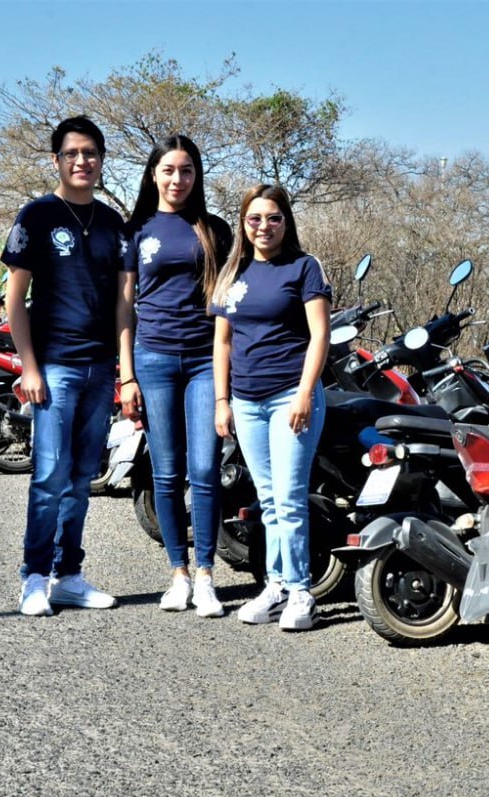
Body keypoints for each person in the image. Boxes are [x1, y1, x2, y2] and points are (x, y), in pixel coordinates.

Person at [2, 115, 126, 616]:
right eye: (72, 154)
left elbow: (123, 304)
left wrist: (124, 368)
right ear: (57, 160)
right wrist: (29, 367)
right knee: (50, 477)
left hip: (100, 368)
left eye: (91, 153)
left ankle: (68, 574)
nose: (82, 162)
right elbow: (15, 301)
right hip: (54, 367)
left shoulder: (113, 223)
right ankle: (33, 577)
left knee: (80, 479)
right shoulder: (36, 216)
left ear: (100, 160)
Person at [119, 135, 233, 618]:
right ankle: (178, 574)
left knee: (205, 470)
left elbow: (233, 299)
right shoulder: (137, 229)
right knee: (166, 472)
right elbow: (124, 305)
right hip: (153, 359)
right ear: (153, 174)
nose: (177, 179)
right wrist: (126, 374)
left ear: (196, 176)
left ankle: (206, 575)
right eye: (168, 170)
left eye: (186, 170)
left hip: (206, 360)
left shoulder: (216, 229)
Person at [211, 184, 331, 631]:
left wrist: (304, 392)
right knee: (267, 500)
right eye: (255, 218)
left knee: (289, 498)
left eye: (274, 218)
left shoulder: (304, 267)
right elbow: (222, 342)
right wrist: (222, 401)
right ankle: (276, 586)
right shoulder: (232, 273)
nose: (264, 226)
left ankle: (302, 592)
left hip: (290, 398)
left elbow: (319, 335)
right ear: (244, 223)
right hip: (245, 401)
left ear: (287, 221)